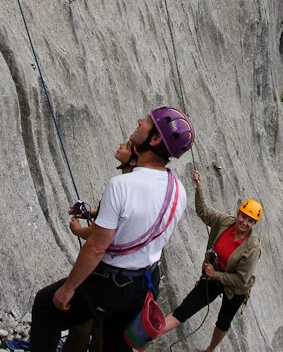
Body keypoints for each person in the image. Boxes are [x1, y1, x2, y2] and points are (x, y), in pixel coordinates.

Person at [28, 107, 195, 352]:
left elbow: (97, 247)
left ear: (156, 138)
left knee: (46, 307)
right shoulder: (178, 190)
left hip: (110, 282)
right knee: (117, 344)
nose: (140, 120)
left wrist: (68, 289)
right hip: (144, 285)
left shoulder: (121, 185)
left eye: (147, 122)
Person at [156, 170, 263, 352]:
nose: (245, 222)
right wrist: (199, 188)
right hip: (212, 275)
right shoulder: (225, 222)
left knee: (223, 321)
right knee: (186, 308)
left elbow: (241, 279)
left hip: (235, 289)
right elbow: (203, 212)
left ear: (254, 224)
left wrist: (216, 274)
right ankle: (150, 334)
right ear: (238, 214)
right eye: (244, 216)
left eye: (250, 221)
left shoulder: (252, 247)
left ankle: (210, 349)